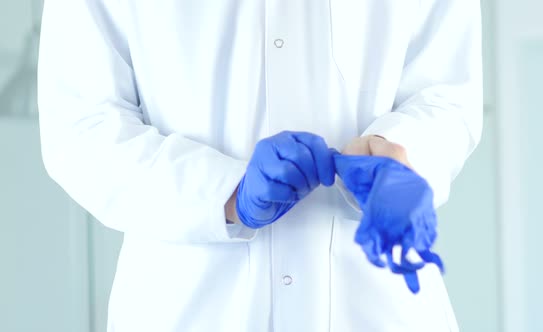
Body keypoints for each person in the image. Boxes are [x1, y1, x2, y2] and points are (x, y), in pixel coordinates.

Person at [37, 0, 482, 331]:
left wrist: (402, 151)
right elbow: (82, 124)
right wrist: (222, 193)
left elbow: (447, 94)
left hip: (377, 304)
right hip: (190, 305)